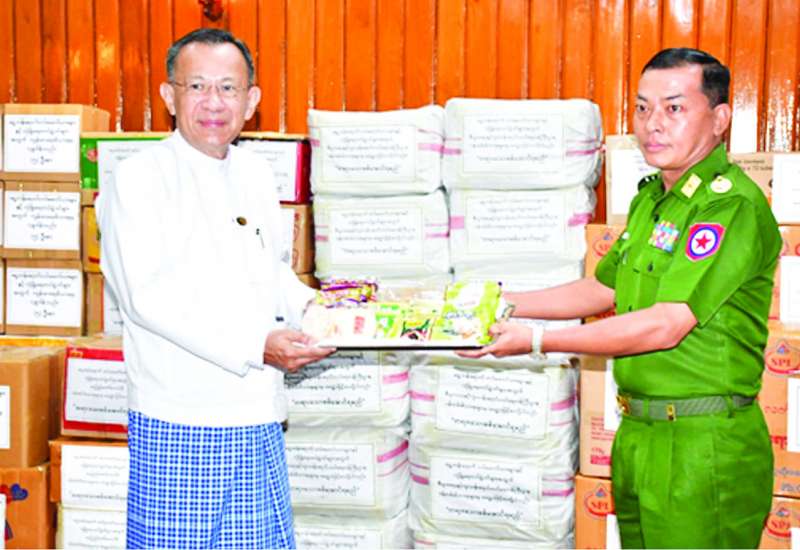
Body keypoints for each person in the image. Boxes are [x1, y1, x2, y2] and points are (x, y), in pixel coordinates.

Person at [461, 48, 780, 548]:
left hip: (703, 444)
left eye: (674, 108)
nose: (653, 124)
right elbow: (601, 289)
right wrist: (497, 302)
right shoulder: (652, 199)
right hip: (638, 433)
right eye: (642, 107)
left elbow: (667, 323)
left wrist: (537, 341)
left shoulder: (729, 205)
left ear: (719, 119)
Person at [96, 28, 334, 549]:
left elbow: (271, 270)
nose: (213, 103)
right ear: (169, 96)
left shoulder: (254, 172)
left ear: (251, 101)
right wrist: (256, 345)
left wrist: (322, 312)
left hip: (256, 414)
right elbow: (147, 297)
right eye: (197, 86)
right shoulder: (138, 178)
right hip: (180, 419)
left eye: (228, 88)